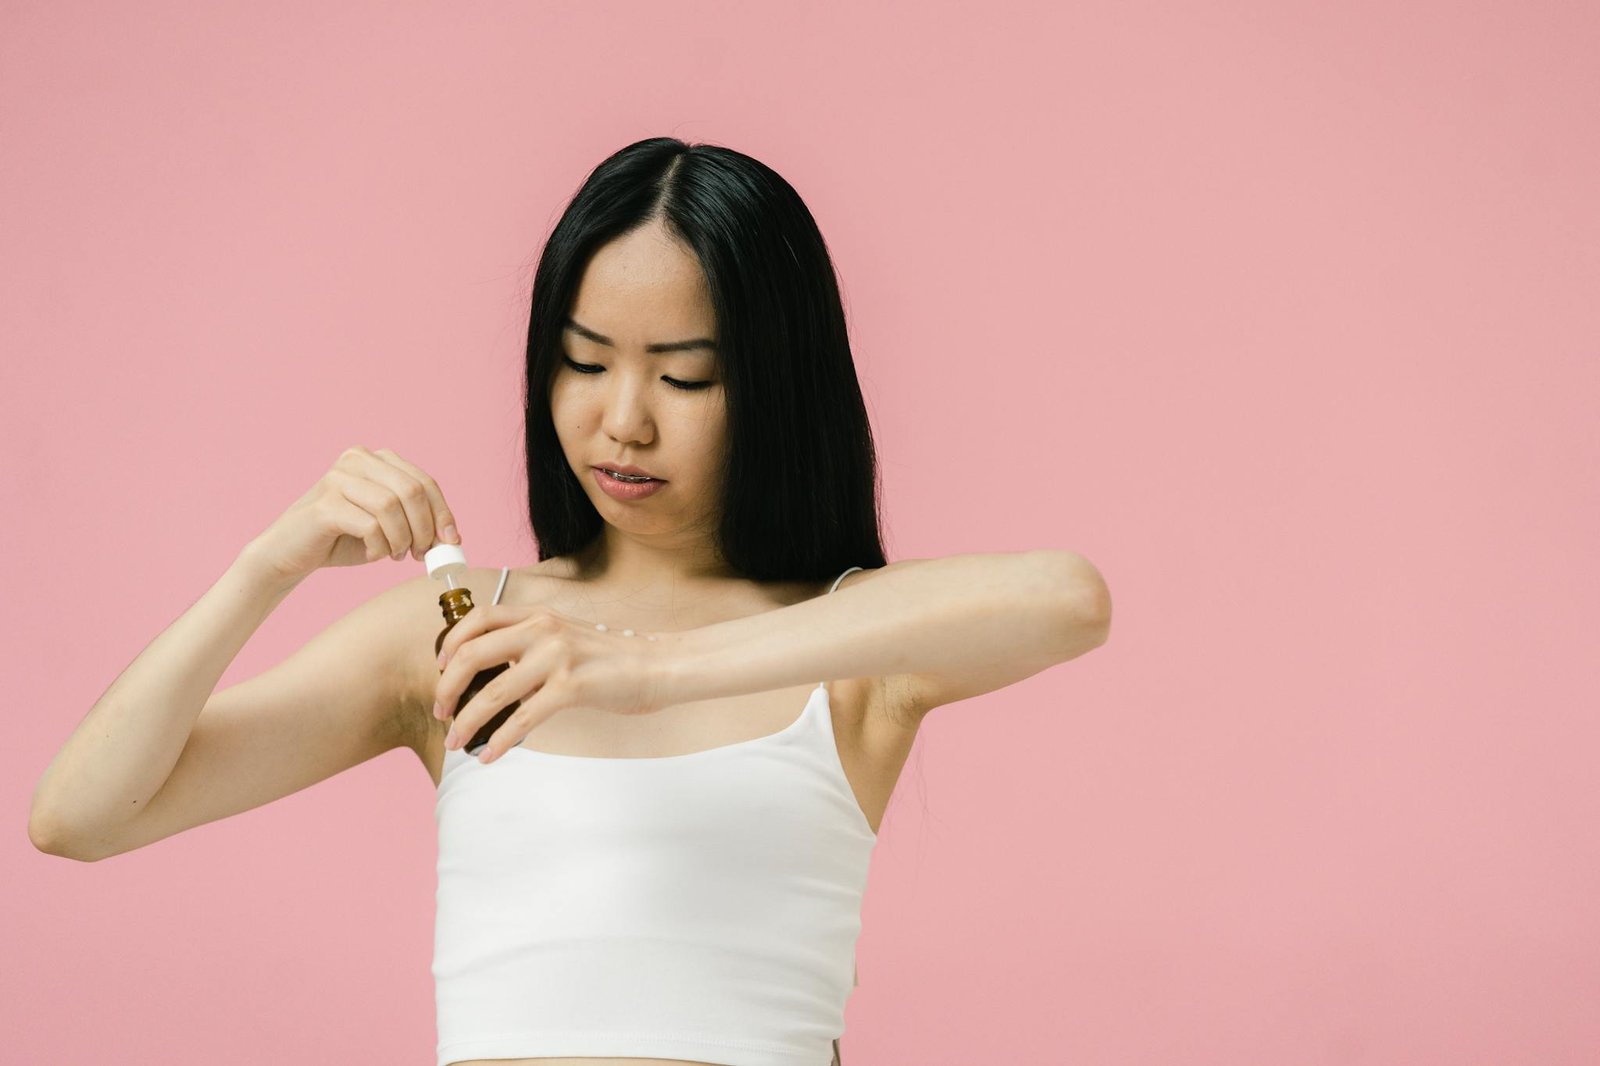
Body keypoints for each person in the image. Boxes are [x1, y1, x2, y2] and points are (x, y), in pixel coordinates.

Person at [29, 137, 1112, 1066]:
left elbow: (1067, 600)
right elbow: (80, 815)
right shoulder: (463, 630)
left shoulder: (847, 642)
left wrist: (649, 669)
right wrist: (266, 566)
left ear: (778, 385)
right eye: (584, 363)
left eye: (684, 378)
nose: (622, 421)